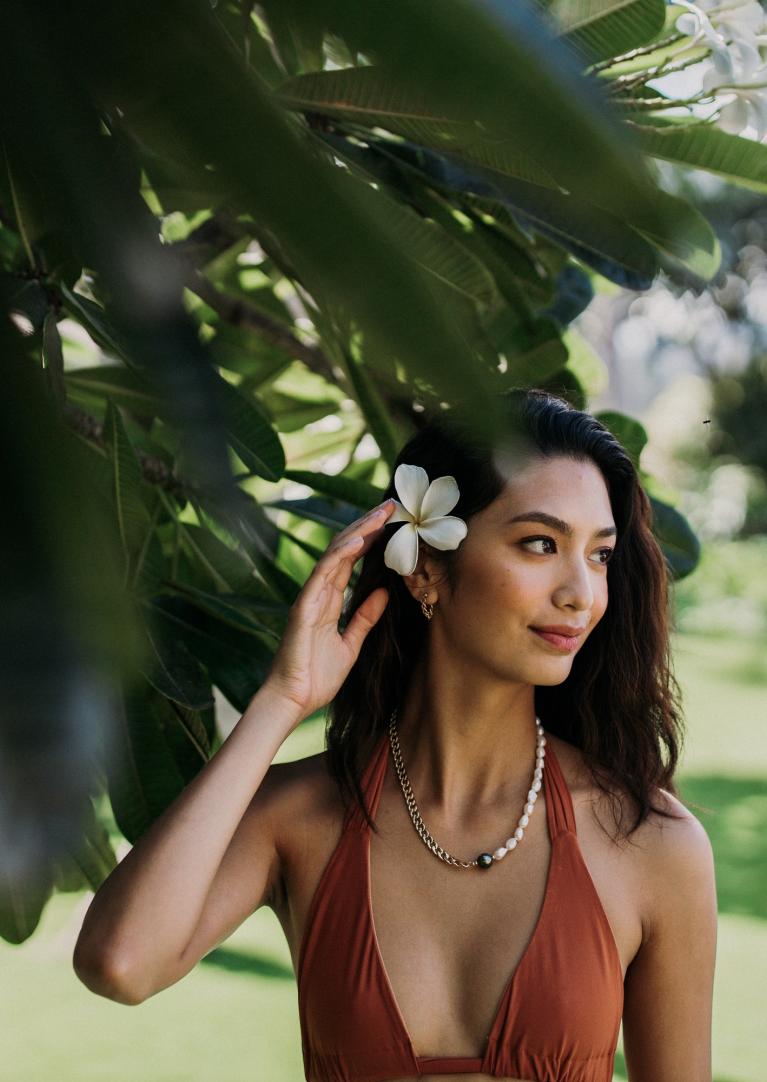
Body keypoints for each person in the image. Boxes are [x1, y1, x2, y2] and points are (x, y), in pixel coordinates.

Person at [73, 388, 718, 1082]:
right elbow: (121, 963)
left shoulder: (649, 845)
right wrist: (281, 701)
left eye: (598, 555)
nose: (581, 594)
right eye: (540, 543)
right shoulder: (300, 819)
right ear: (428, 567)